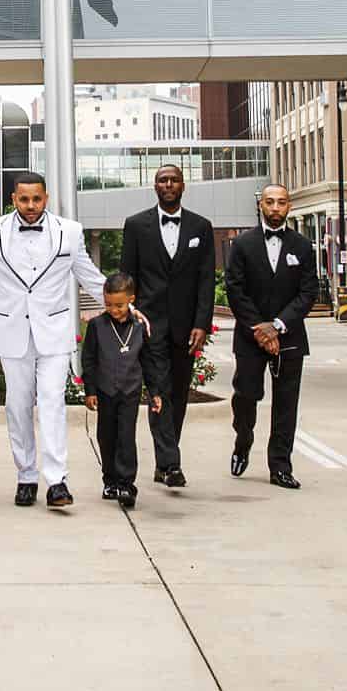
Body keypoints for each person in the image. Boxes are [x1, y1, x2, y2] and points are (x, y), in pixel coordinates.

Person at [0, 171, 104, 508]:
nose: (31, 206)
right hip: (12, 331)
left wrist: (127, 304)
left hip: (54, 333)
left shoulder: (70, 232)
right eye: (24, 199)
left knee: (52, 402)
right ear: (13, 199)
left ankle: (57, 481)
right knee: (17, 407)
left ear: (46, 198)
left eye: (37, 199)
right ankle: (26, 476)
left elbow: (90, 277)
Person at [119, 164, 214, 490]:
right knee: (159, 390)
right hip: (150, 325)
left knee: (179, 393)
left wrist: (202, 324)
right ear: (155, 186)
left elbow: (205, 281)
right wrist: (131, 315)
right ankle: (171, 464)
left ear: (183, 186)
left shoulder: (201, 227)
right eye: (163, 180)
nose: (169, 184)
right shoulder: (136, 225)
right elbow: (127, 276)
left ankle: (164, 460)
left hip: (187, 328)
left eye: (174, 180)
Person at [223, 184, 319, 488]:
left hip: (290, 336)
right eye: (270, 202)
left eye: (281, 202)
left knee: (286, 404)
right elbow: (235, 289)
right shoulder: (242, 244)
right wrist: (260, 328)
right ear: (260, 205)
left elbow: (308, 292)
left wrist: (277, 326)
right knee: (246, 396)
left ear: (289, 206)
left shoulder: (303, 246)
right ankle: (243, 439)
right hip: (249, 336)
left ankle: (280, 466)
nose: (275, 208)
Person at [80, 272, 169, 510]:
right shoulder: (97, 326)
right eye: (108, 304)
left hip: (130, 391)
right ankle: (110, 480)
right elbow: (89, 360)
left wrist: (155, 392)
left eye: (119, 305)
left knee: (126, 437)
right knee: (106, 437)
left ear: (131, 299)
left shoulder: (139, 327)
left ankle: (126, 484)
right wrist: (90, 390)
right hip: (105, 391)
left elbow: (148, 360)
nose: (114, 310)